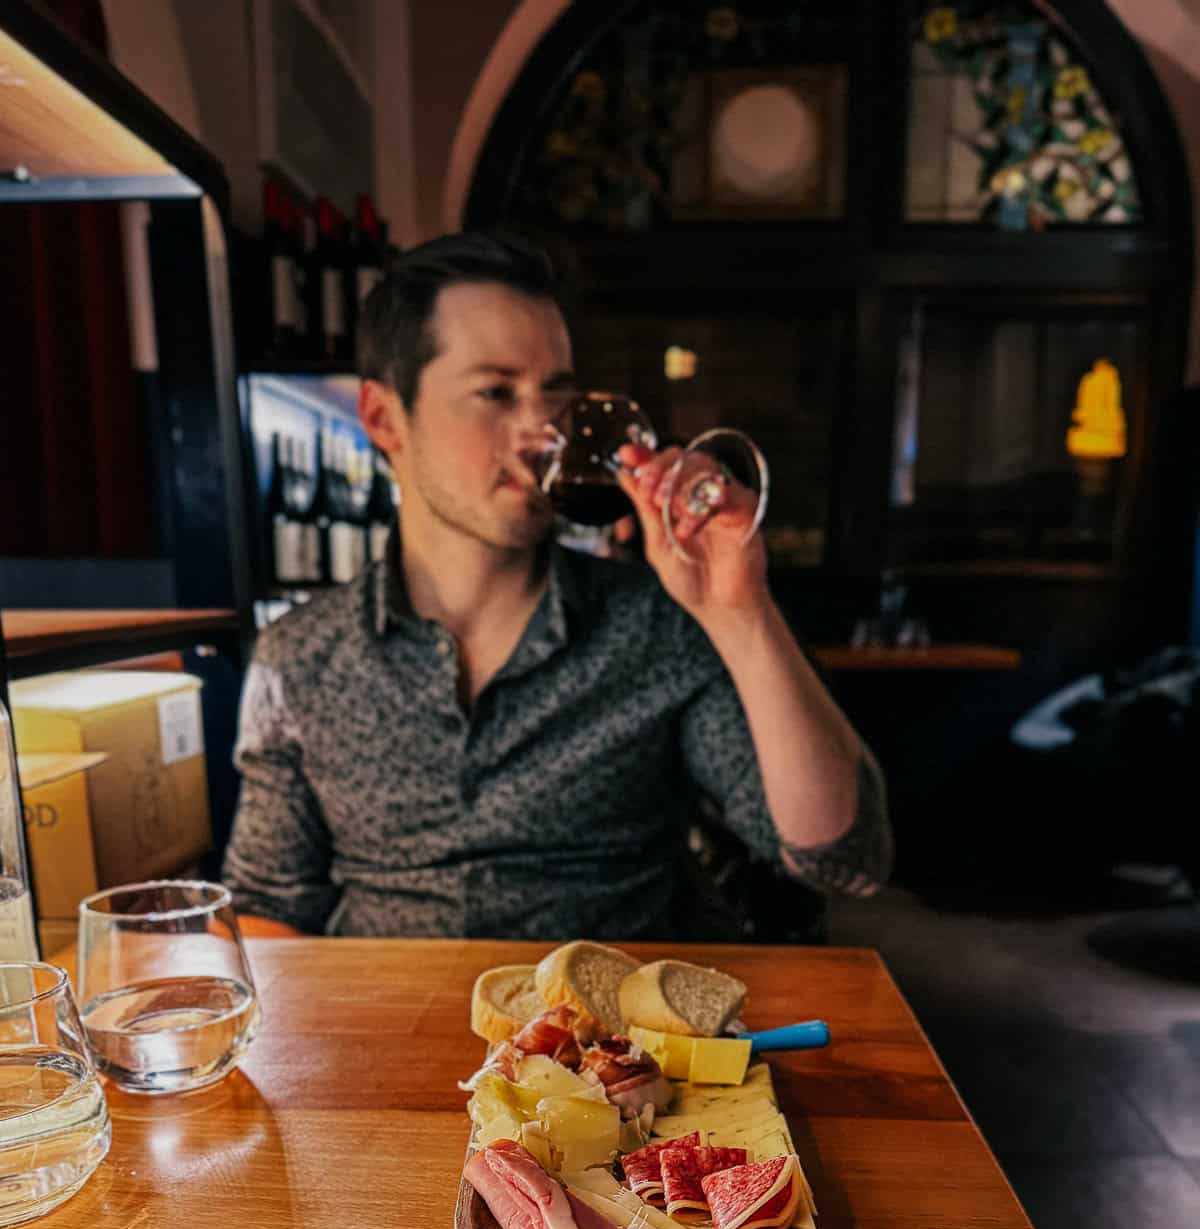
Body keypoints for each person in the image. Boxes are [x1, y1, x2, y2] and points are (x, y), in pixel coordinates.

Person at [223, 231, 891, 942]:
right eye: (496, 392)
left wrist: (740, 611)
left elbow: (844, 860)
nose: (542, 429)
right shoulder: (298, 656)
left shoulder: (655, 626)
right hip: (395, 1041)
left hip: (609, 1043)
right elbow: (267, 909)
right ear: (385, 418)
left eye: (557, 394)